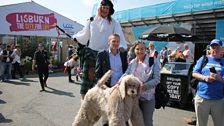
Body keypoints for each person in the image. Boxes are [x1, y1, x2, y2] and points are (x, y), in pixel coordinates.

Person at [72, 0, 127, 98]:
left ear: (109, 10)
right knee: (86, 84)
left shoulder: (114, 23)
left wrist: (122, 46)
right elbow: (85, 35)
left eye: (107, 8)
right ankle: (84, 106)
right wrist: (77, 38)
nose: (105, 10)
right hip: (91, 54)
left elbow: (119, 36)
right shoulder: (91, 20)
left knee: (102, 83)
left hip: (105, 56)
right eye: (103, 8)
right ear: (99, 8)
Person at [121, 41, 160, 126]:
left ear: (146, 49)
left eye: (142, 49)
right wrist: (119, 83)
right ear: (134, 50)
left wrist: (145, 85)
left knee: (147, 123)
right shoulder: (132, 62)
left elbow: (157, 79)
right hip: (133, 98)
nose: (140, 51)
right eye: (137, 49)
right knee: (135, 122)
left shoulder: (153, 61)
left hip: (147, 98)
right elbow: (126, 74)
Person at [95, 34, 128, 126]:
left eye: (118, 41)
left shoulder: (123, 53)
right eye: (113, 41)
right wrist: (103, 86)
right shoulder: (102, 54)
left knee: (123, 115)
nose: (116, 43)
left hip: (121, 89)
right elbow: (98, 74)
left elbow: (126, 70)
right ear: (109, 42)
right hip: (108, 89)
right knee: (107, 116)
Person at [192, 39, 224, 126]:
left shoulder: (223, 62)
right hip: (202, 98)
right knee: (201, 124)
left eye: (217, 47)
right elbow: (194, 73)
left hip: (218, 100)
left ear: (222, 49)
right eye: (213, 47)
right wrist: (205, 78)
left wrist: (219, 78)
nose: (215, 49)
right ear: (210, 49)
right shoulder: (203, 59)